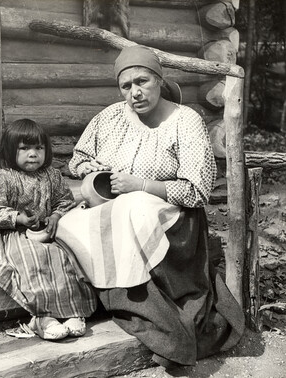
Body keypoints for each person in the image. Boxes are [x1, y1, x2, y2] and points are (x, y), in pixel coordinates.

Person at [56, 45, 245, 368]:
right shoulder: (111, 117)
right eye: (126, 86)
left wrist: (140, 185)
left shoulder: (185, 121)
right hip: (116, 208)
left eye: (142, 82)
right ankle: (105, 296)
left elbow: (197, 191)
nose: (135, 93)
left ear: (160, 79)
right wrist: (87, 168)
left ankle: (149, 306)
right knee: (67, 224)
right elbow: (79, 157)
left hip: (173, 218)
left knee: (136, 207)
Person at [0, 118, 98, 341]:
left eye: (39, 148)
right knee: (31, 258)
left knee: (64, 258)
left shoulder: (52, 175)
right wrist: (17, 217)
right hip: (10, 233)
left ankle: (72, 313)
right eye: (25, 148)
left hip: (45, 230)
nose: (33, 154)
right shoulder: (2, 179)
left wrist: (56, 216)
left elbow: (64, 201)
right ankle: (43, 317)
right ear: (11, 151)